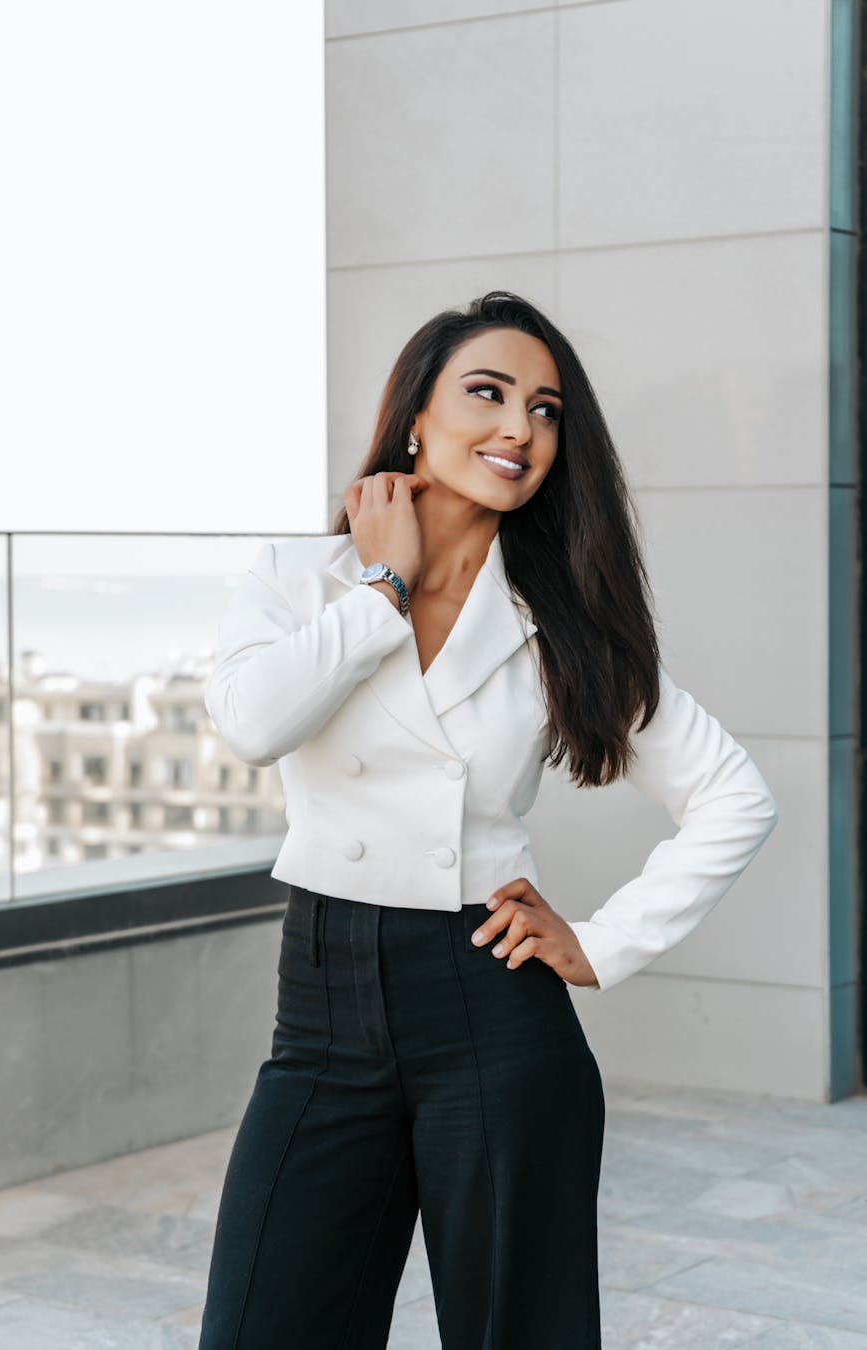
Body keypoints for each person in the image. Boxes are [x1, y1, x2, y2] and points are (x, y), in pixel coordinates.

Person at [197, 290, 779, 1350]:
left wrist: (600, 943)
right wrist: (380, 587)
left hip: (490, 1013)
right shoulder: (302, 579)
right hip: (320, 1015)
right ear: (415, 415)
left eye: (547, 409)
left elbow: (736, 794)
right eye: (489, 393)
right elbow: (251, 722)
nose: (520, 427)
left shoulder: (557, 622)